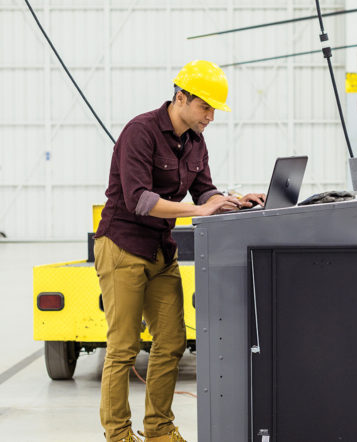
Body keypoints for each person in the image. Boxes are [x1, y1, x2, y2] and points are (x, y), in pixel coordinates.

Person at [94, 60, 264, 442]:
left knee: (170, 343)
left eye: (214, 109)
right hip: (122, 245)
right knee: (122, 347)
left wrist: (235, 200)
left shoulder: (195, 142)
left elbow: (204, 190)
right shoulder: (140, 132)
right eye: (206, 107)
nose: (211, 117)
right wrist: (199, 210)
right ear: (181, 98)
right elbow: (139, 199)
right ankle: (118, 435)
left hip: (159, 250)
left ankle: (158, 430)